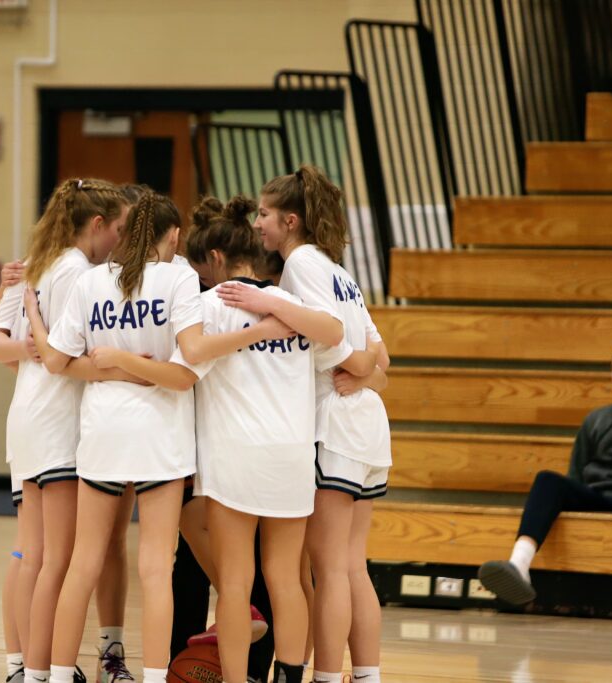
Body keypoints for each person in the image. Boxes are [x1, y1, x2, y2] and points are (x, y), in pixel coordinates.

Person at [27, 191, 288, 683]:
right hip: (159, 443)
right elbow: (184, 375)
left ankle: (58, 675)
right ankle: (151, 677)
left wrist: (117, 366)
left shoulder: (89, 282)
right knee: (154, 569)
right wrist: (143, 371)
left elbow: (59, 362)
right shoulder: (178, 278)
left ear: (123, 234)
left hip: (103, 437)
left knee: (83, 563)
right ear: (172, 237)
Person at [221, 165, 389, 683]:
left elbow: (346, 344)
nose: (259, 224)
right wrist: (366, 373)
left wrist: (267, 301)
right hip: (365, 424)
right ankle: (366, 674)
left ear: (291, 220)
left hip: (336, 424)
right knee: (352, 566)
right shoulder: (339, 269)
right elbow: (381, 356)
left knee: (331, 568)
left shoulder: (303, 267)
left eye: (266, 214)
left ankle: (328, 677)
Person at [0, 178, 138, 683]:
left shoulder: (38, 267)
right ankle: (41, 669)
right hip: (57, 425)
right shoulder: (76, 274)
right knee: (57, 561)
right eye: (117, 228)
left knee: (32, 554)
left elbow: (13, 348)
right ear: (96, 225)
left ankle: (23, 666)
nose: (120, 238)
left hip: (27, 418)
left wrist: (34, 346)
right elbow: (72, 357)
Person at [177, 195, 319, 683]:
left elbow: (185, 366)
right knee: (286, 579)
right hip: (294, 456)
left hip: (236, 456)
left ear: (215, 260)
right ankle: (292, 678)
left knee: (235, 585)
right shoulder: (295, 304)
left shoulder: (209, 304)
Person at [479, 341, 612, 606]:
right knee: (548, 479)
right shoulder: (597, 419)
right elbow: (576, 474)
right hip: (596, 497)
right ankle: (519, 565)